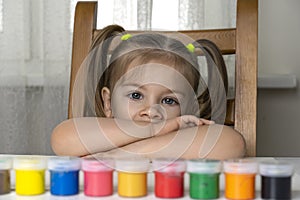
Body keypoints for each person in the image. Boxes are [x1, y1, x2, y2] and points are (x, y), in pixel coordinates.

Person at [51, 25, 245, 160]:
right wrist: (152, 129)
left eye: (169, 100)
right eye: (136, 96)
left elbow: (233, 143)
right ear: (108, 102)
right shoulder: (101, 136)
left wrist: (124, 154)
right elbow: (62, 138)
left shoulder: (186, 138)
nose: (151, 111)